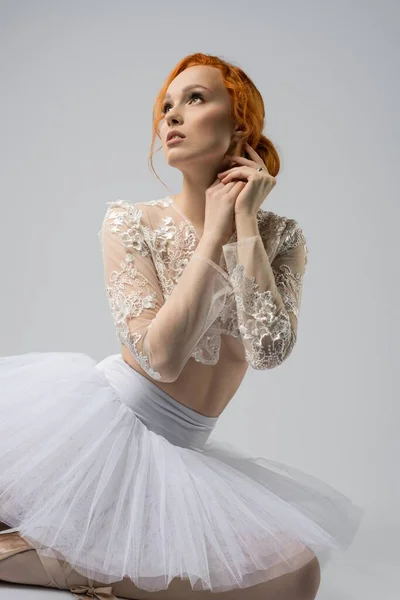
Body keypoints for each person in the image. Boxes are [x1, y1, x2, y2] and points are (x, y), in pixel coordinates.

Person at [0, 53, 364, 600]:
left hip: (179, 452)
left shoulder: (281, 237)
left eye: (195, 99)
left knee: (295, 578)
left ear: (240, 125)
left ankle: (76, 564)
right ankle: (61, 554)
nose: (171, 116)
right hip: (95, 429)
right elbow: (161, 358)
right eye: (166, 106)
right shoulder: (130, 221)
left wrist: (242, 224)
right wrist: (214, 232)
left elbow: (268, 350)